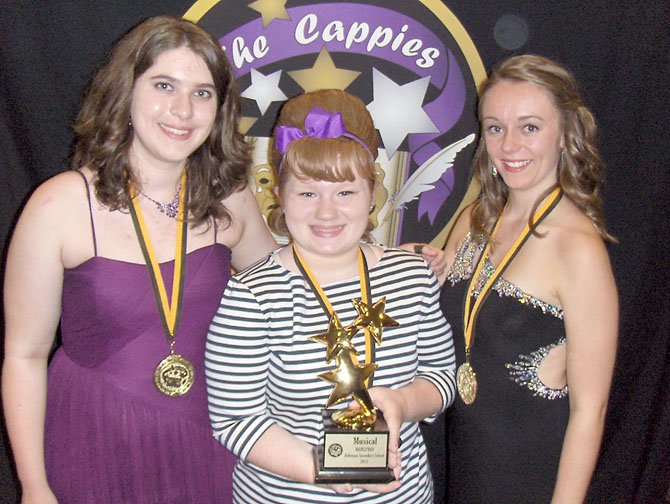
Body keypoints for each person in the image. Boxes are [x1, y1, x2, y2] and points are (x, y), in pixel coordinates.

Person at [1, 15, 278, 503]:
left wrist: (381, 260)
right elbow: (24, 355)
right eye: (164, 85)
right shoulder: (59, 205)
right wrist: (34, 485)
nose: (182, 110)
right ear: (126, 91)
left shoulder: (228, 198)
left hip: (206, 439)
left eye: (202, 93)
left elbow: (286, 283)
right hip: (92, 440)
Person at [205, 89, 457, 503]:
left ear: (373, 192)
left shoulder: (414, 276)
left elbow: (441, 376)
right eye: (307, 193)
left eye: (345, 192)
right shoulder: (250, 297)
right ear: (280, 194)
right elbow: (236, 420)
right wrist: (320, 470)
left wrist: (401, 403)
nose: (326, 212)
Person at [436, 54, 618, 503]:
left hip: (527, 477)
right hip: (457, 464)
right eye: (495, 127)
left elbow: (589, 411)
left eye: (530, 127)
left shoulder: (579, 249)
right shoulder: (474, 219)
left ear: (564, 135)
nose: (509, 144)